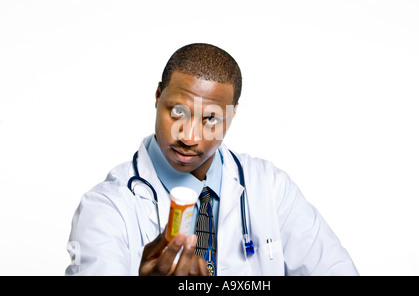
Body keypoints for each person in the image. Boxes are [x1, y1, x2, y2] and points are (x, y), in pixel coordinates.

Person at [65, 43, 359, 276]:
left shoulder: (270, 187)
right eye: (178, 112)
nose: (189, 137)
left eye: (210, 119)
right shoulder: (106, 208)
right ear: (157, 95)